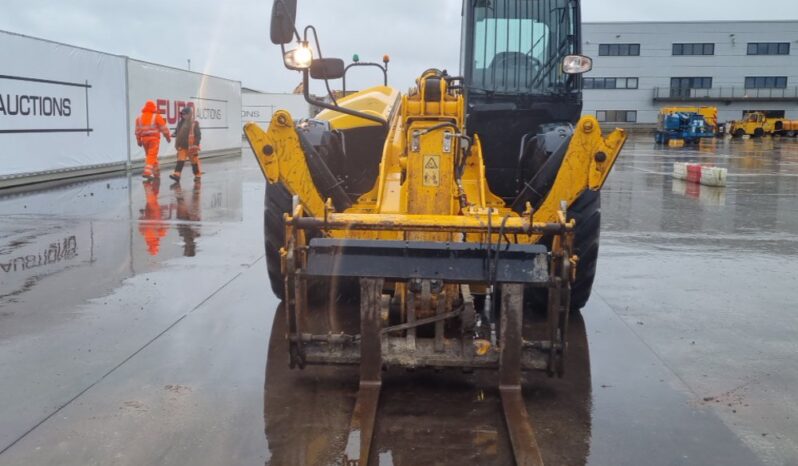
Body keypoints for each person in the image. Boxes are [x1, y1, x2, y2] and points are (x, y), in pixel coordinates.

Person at [135, 100, 171, 181]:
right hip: (154, 140)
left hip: (144, 140)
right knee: (152, 156)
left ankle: (156, 173)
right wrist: (168, 137)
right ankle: (147, 172)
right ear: (153, 108)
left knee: (150, 156)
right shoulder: (156, 116)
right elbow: (164, 129)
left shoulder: (139, 118)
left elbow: (137, 131)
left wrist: (138, 140)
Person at [170, 106, 202, 183]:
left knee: (194, 162)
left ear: (189, 114)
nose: (183, 116)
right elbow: (177, 131)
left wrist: (196, 144)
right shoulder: (180, 123)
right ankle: (177, 175)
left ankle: (197, 175)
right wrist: (174, 134)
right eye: (182, 114)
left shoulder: (194, 123)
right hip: (182, 146)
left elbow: (198, 135)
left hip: (192, 147)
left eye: (185, 114)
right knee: (180, 160)